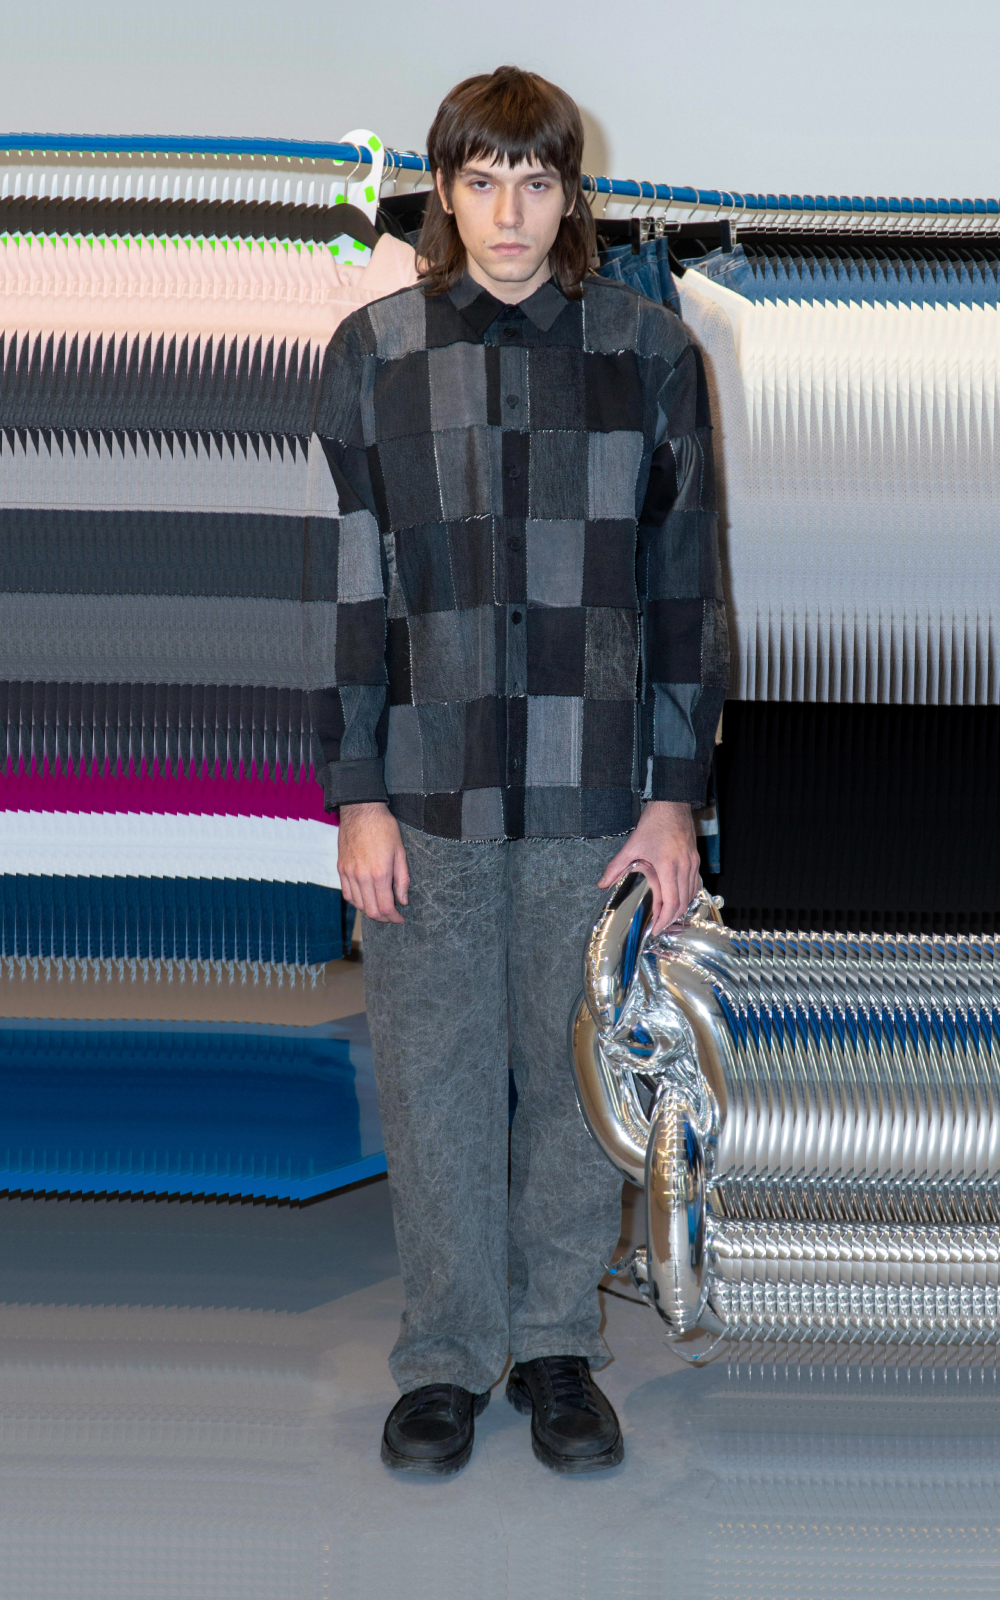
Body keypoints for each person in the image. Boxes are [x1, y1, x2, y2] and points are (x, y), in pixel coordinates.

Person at [315, 66, 728, 1476]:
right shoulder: (372, 353)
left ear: (570, 194)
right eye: (481, 181)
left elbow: (686, 593)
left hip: (593, 792)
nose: (508, 213)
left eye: (535, 182)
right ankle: (445, 1355)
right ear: (443, 191)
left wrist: (673, 800)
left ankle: (555, 1346)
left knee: (571, 1078)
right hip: (423, 794)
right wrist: (358, 792)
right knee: (432, 1080)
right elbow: (353, 589)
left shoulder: (650, 354)